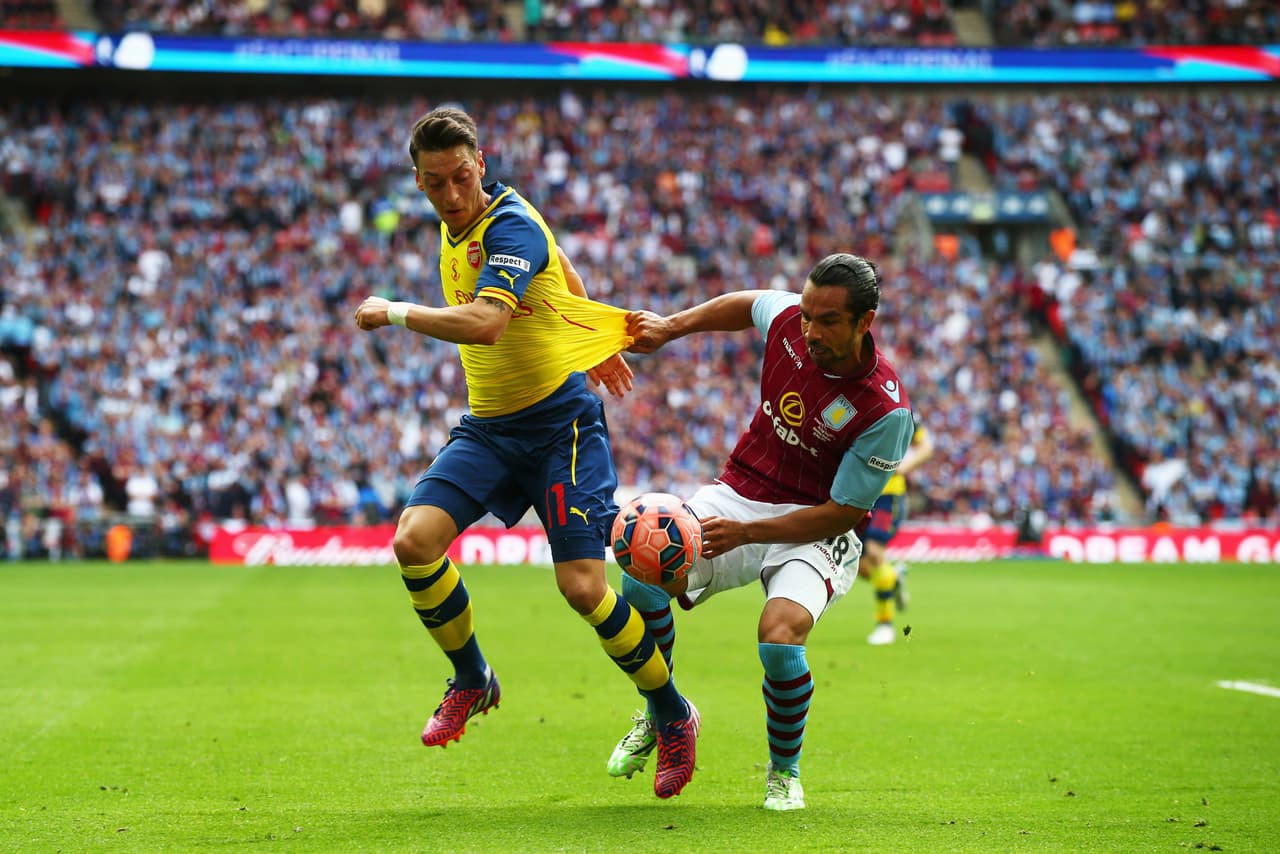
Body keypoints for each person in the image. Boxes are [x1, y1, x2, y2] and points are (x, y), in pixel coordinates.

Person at [353, 106, 700, 799]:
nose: (450, 196)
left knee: (582, 589)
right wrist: (591, 334)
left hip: (559, 428)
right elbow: (561, 260)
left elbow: (486, 324)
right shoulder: (477, 224)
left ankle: (671, 712)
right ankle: (473, 679)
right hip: (488, 427)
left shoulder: (508, 225)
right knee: (414, 541)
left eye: (459, 178)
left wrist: (395, 311)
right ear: (418, 183)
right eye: (433, 184)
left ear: (481, 164)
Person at [607, 253, 914, 811]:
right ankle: (667, 712)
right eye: (806, 315)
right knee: (642, 575)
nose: (810, 330)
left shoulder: (884, 412)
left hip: (816, 528)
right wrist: (671, 327)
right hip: (740, 491)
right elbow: (749, 303)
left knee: (779, 635)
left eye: (828, 322)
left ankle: (784, 772)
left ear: (865, 322)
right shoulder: (790, 322)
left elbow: (842, 513)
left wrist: (749, 533)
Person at [862, 409, 933, 645]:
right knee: (863, 569)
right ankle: (895, 577)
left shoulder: (902, 411)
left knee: (874, 552)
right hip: (861, 496)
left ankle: (885, 625)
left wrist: (904, 466)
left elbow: (926, 446)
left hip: (887, 497)